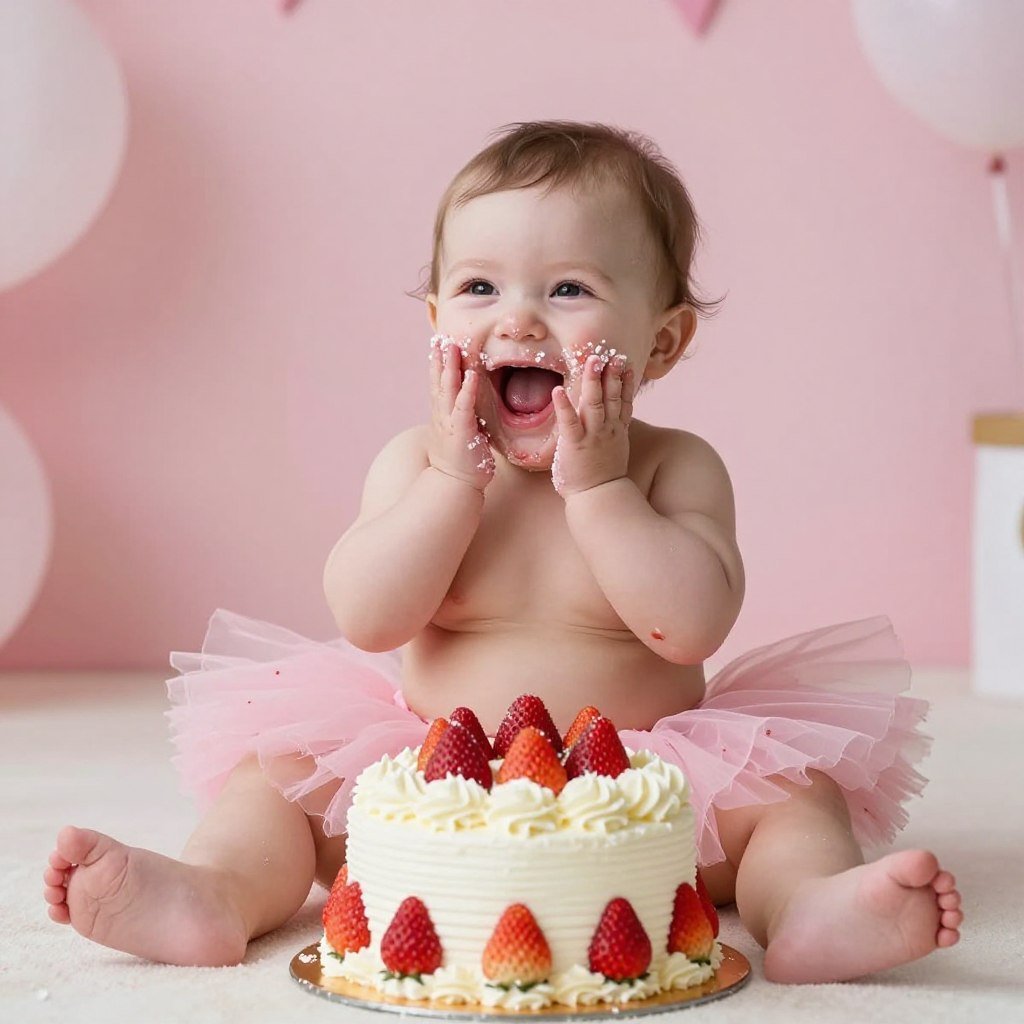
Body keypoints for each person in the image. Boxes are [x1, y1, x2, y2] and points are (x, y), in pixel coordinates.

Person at [43, 121, 962, 983]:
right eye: (481, 289)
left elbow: (688, 627)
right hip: (427, 776)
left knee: (796, 795)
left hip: (642, 787)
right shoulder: (415, 461)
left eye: (569, 289)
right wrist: (450, 484)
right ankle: (214, 894)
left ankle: (806, 911)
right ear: (438, 319)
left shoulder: (672, 468)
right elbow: (367, 618)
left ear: (663, 341)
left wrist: (600, 490)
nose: (519, 320)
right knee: (274, 779)